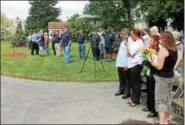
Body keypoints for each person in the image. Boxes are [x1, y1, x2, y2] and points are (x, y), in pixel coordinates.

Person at [148, 31, 177, 124]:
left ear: (164, 39)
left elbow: (159, 66)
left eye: (160, 38)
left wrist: (150, 60)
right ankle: (165, 121)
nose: (159, 39)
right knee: (167, 99)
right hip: (170, 76)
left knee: (160, 101)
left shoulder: (163, 50)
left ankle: (161, 122)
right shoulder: (174, 49)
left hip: (162, 78)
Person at [142, 35, 160, 118]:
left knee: (153, 92)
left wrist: (148, 62)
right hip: (150, 72)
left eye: (151, 40)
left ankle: (154, 110)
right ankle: (149, 106)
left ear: (156, 42)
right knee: (149, 90)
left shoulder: (157, 50)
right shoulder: (150, 49)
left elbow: (155, 63)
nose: (149, 42)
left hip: (155, 73)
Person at [126, 28, 144, 107]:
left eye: (131, 34)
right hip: (133, 64)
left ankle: (136, 100)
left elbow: (129, 53)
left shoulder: (138, 43)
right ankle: (133, 98)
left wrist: (127, 46)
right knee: (133, 83)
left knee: (135, 84)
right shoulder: (137, 42)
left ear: (135, 34)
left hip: (136, 65)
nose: (130, 36)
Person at [115, 28, 133, 99]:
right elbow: (120, 53)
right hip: (120, 63)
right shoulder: (122, 41)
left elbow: (130, 54)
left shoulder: (130, 41)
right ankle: (121, 90)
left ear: (127, 34)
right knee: (121, 78)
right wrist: (117, 63)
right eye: (121, 33)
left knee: (126, 79)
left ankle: (127, 92)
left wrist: (127, 64)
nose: (121, 35)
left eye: (123, 34)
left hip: (125, 63)